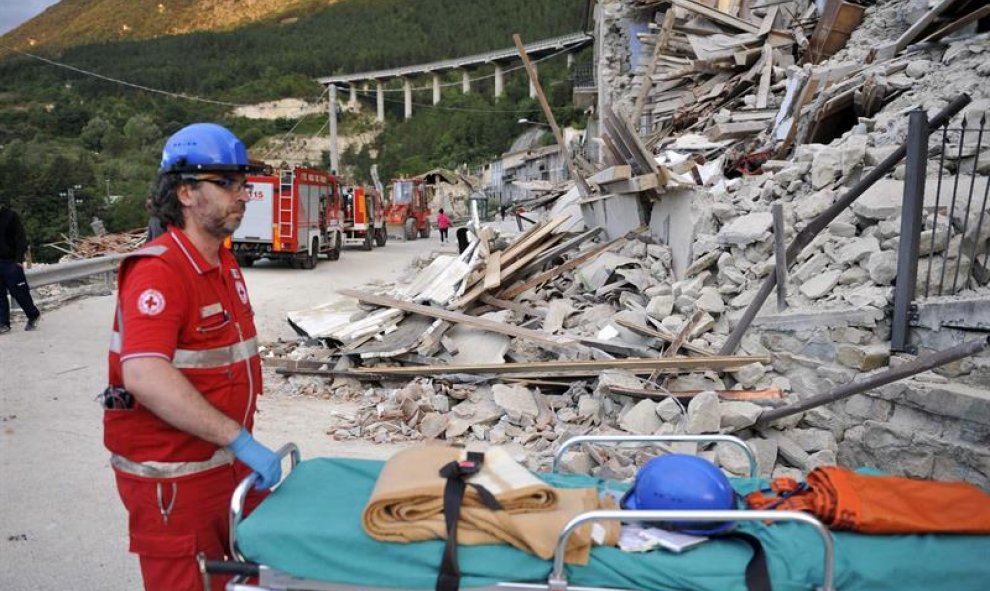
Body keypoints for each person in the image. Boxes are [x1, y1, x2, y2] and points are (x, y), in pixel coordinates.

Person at [103, 123, 280, 591]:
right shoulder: (159, 270)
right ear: (185, 192)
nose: (242, 194)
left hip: (224, 469)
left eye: (243, 183)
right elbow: (143, 373)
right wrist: (239, 439)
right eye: (225, 183)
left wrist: (238, 451)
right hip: (174, 483)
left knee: (245, 579)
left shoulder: (222, 264)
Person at [0, 203, 41, 333]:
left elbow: (20, 239)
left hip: (10, 261)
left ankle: (33, 314)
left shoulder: (11, 216)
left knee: (19, 291)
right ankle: (3, 323)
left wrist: (18, 260)